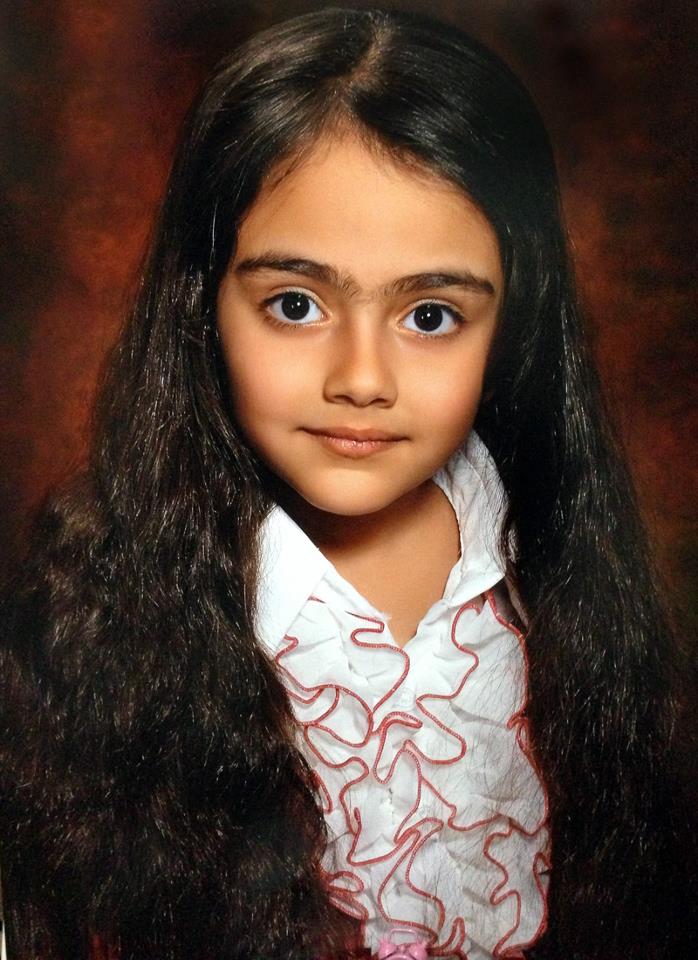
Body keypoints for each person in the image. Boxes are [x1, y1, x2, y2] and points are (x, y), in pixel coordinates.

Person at [0, 7, 692, 960]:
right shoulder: (99, 616)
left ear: (514, 324)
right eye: (296, 304)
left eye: (431, 315)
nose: (362, 378)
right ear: (203, 303)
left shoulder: (565, 578)